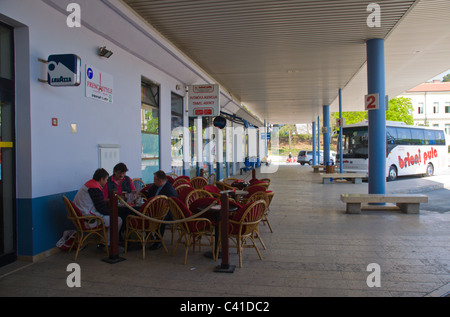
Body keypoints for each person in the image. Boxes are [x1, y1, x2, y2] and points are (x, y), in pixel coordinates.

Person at [73, 168, 123, 246]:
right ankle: (108, 244)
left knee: (110, 217)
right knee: (117, 220)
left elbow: (100, 204)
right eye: (106, 180)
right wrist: (113, 213)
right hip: (88, 220)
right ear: (101, 179)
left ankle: (103, 241)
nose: (106, 182)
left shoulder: (90, 184)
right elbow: (101, 207)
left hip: (81, 217)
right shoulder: (94, 188)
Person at [144, 170, 178, 250]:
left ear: (160, 181)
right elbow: (149, 197)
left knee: (161, 216)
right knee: (142, 213)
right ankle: (149, 235)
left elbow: (172, 205)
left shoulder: (169, 190)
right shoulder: (154, 186)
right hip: (153, 209)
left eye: (155, 180)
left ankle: (158, 240)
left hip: (167, 212)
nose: (153, 182)